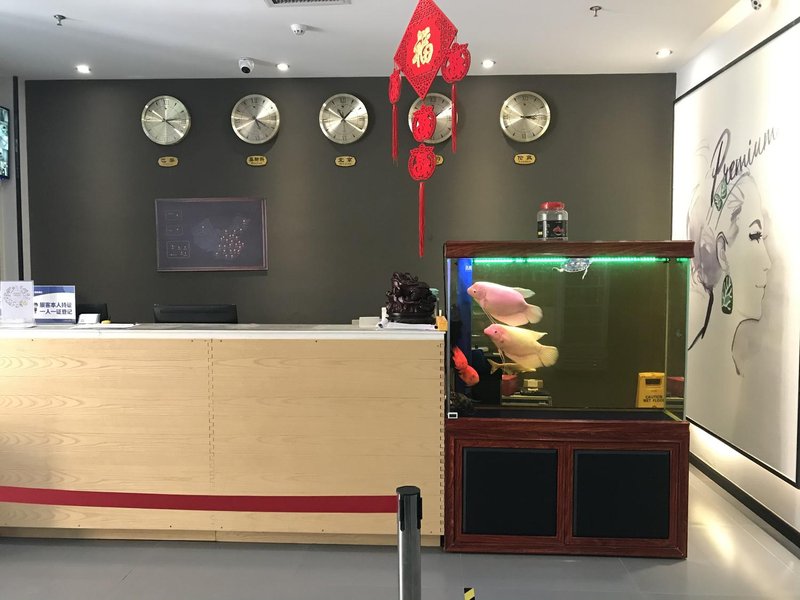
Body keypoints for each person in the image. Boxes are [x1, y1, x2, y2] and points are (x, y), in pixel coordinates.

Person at [687, 171, 771, 376]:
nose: (767, 263)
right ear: (722, 251)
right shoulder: (708, 369)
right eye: (755, 236)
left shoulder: (713, 365)